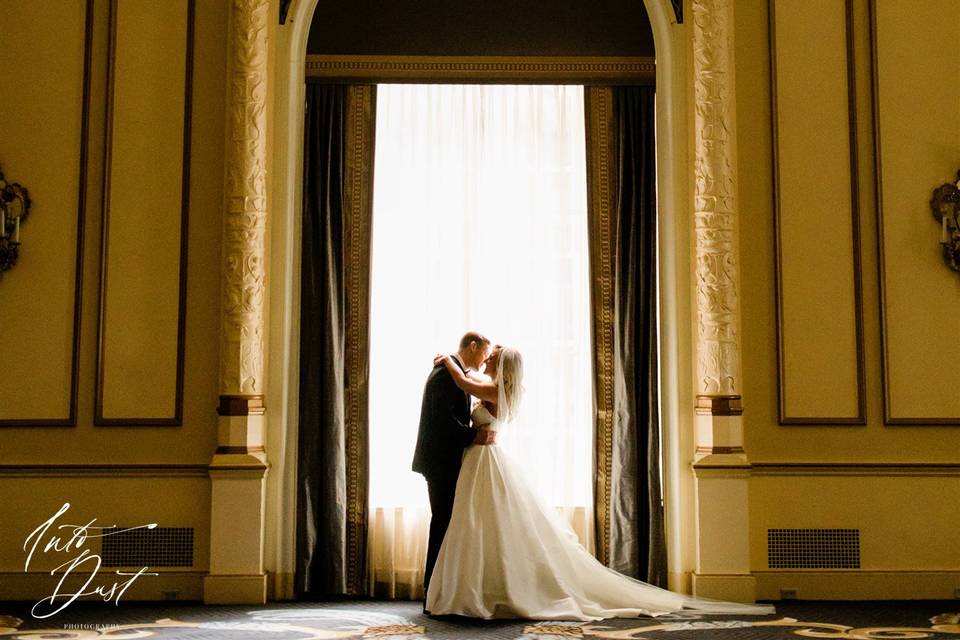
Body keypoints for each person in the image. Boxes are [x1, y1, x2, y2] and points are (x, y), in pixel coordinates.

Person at [425, 345, 776, 621]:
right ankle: (480, 587)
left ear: (502, 368)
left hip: (485, 463)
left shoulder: (492, 389)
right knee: (477, 527)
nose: (487, 360)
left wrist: (448, 361)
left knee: (479, 525)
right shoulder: (501, 389)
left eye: (493, 358)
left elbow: (463, 383)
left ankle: (480, 590)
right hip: (481, 461)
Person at [412, 331, 496, 607]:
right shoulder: (446, 374)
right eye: (484, 353)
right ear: (473, 346)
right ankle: (432, 590)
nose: (484, 361)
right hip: (439, 461)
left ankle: (440, 589)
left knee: (447, 522)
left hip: (445, 459)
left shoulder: (454, 371)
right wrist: (474, 436)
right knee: (443, 522)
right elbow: (442, 423)